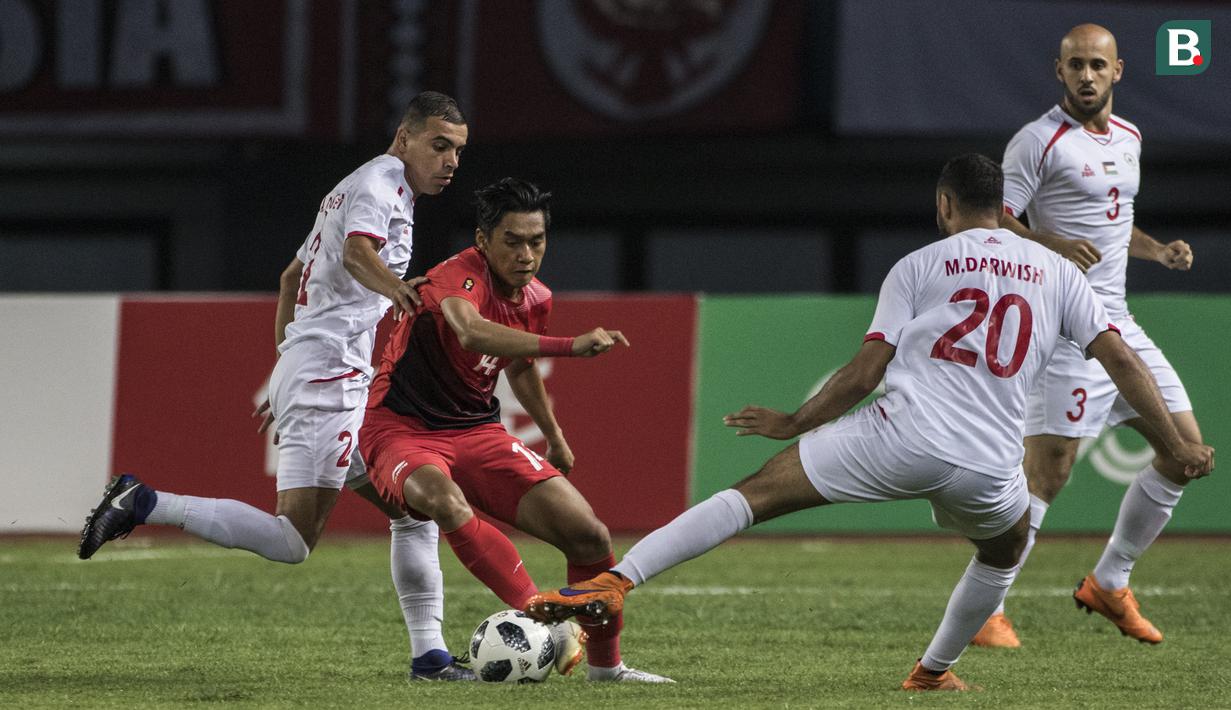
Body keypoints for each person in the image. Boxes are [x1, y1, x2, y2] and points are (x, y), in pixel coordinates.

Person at [524, 155, 1214, 691]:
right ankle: (932, 670)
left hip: (897, 437)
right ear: (1002, 209)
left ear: (943, 205)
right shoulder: (1057, 273)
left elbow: (861, 374)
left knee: (753, 495)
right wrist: (1177, 441)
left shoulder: (917, 264)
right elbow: (1121, 361)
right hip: (988, 462)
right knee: (1003, 550)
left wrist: (795, 422)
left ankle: (616, 580)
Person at [78, 91, 476, 681]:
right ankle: (143, 501)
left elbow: (292, 276)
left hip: (325, 371)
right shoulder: (381, 184)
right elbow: (358, 251)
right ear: (404, 138)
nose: (450, 161)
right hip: (331, 374)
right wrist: (396, 292)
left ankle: (431, 657)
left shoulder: (361, 186)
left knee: (413, 510)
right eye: (439, 145)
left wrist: (289, 366)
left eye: (459, 151)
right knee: (294, 540)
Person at [359, 177, 672, 683]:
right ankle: (546, 621)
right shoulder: (456, 277)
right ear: (483, 240)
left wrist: (555, 433)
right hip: (400, 430)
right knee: (444, 502)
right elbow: (471, 330)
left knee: (589, 536)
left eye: (537, 241)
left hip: (477, 431)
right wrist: (570, 346)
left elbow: (519, 363)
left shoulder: (535, 297)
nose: (526, 254)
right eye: (513, 241)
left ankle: (606, 669)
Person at [971, 24, 1209, 649]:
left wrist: (1158, 252)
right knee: (1046, 475)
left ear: (1117, 71)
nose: (1086, 75)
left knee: (1185, 452)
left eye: (1096, 65)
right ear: (1059, 72)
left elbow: (1114, 223)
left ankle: (1110, 581)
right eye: (1075, 65)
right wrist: (1049, 243)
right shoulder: (1038, 141)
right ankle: (985, 609)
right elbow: (995, 215)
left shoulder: (1130, 137)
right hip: (1066, 328)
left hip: (1119, 322)